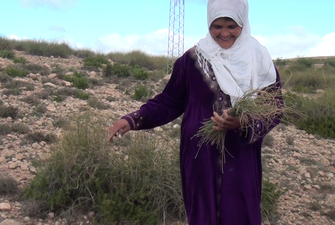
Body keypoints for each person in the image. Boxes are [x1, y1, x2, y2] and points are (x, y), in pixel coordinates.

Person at [108, 0, 284, 224]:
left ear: (243, 22)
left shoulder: (260, 61)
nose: (224, 33)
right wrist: (133, 119)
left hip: (240, 160)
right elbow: (169, 101)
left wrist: (244, 121)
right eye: (217, 26)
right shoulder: (191, 60)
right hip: (200, 159)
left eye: (232, 26)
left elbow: (275, 106)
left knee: (240, 215)